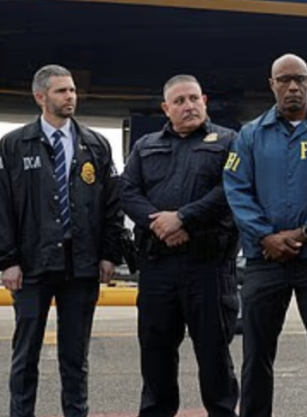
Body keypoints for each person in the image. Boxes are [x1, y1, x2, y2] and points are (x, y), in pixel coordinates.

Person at [0, 64, 125, 417]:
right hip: (32, 267)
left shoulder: (96, 144)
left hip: (81, 267)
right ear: (40, 97)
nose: (70, 97)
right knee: (25, 357)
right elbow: (0, 206)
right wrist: (6, 261)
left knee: (75, 359)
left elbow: (112, 204)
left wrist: (110, 254)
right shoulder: (14, 144)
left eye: (72, 90)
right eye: (62, 91)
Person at [224, 54, 307, 417]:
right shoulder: (250, 135)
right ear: (272, 85)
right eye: (284, 80)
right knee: (256, 356)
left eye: (299, 79)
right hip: (265, 260)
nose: (292, 87)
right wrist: (266, 236)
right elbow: (236, 189)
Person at [120, 74, 240, 417]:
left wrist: (183, 218)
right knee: (155, 351)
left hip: (208, 267)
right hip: (158, 266)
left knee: (214, 353)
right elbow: (127, 191)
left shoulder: (230, 141)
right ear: (166, 108)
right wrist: (159, 225)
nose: (188, 106)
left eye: (193, 98)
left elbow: (230, 189)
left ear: (204, 100)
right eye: (179, 101)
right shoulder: (145, 146)